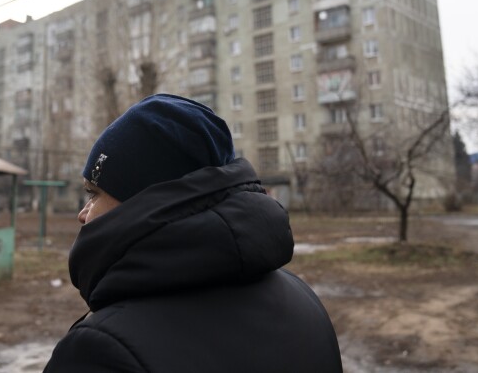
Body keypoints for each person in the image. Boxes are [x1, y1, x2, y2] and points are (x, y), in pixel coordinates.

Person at [44, 94, 342, 372]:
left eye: (93, 193)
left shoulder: (101, 351)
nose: (82, 213)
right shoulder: (305, 302)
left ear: (143, 200)